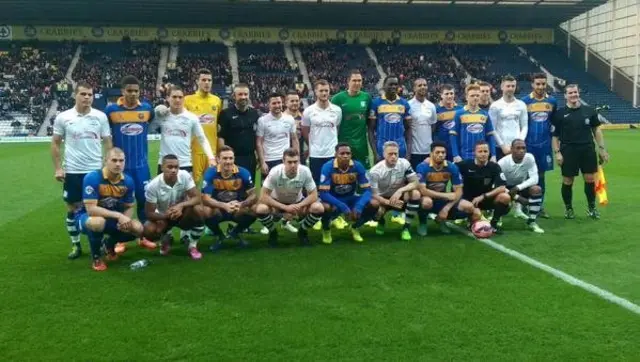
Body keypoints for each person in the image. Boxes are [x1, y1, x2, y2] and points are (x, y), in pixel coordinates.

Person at [51, 81, 112, 259]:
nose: (87, 97)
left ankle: (100, 243)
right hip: (73, 171)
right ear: (75, 95)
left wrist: (107, 166)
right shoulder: (64, 117)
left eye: (90, 94)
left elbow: (108, 142)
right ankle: (76, 245)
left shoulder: (100, 117)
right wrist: (58, 168)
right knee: (72, 209)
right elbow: (55, 143)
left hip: (94, 171)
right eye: (83, 94)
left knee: (98, 208)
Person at [104, 75, 157, 252]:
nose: (133, 94)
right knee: (120, 204)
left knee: (143, 201)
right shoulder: (111, 111)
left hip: (141, 166)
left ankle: (143, 236)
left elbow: (150, 121)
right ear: (122, 91)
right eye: (129, 91)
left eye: (136, 91)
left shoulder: (147, 109)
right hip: (121, 167)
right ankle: (121, 240)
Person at [77, 148, 144, 271]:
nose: (118, 164)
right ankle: (96, 257)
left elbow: (129, 207)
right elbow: (91, 210)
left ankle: (109, 245)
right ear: (105, 161)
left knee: (137, 228)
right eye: (114, 160)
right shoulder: (92, 177)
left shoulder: (128, 181)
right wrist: (119, 216)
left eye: (121, 160)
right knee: (98, 222)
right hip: (86, 218)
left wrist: (125, 220)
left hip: (112, 219)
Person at [552, 84, 609, 219]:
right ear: (565, 95)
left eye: (575, 92)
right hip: (568, 150)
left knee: (589, 179)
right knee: (568, 180)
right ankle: (569, 209)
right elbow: (555, 136)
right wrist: (557, 152)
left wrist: (602, 149)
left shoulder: (589, 111)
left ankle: (591, 208)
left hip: (587, 149)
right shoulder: (560, 114)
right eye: (570, 93)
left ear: (579, 93)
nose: (573, 95)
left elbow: (596, 130)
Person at [255, 148, 324, 247]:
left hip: (298, 203)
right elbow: (263, 196)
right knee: (261, 209)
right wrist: (285, 208)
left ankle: (303, 231)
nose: (293, 165)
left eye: (295, 162)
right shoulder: (275, 172)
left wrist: (298, 206)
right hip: (277, 203)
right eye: (290, 162)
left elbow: (314, 195)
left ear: (299, 161)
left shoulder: (305, 171)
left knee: (318, 208)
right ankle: (273, 232)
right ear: (283, 161)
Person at [143, 155, 206, 259]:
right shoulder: (153, 186)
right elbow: (149, 213)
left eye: (176, 167)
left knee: (199, 210)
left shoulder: (184, 175)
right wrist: (166, 216)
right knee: (148, 229)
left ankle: (192, 246)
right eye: (170, 167)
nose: (173, 170)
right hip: (164, 217)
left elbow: (197, 198)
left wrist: (180, 206)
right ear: (162, 167)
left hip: (182, 214)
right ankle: (166, 238)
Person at [416, 141, 480, 236]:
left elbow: (459, 191)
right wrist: (445, 195)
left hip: (443, 200)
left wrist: (446, 209)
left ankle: (442, 220)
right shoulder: (422, 167)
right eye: (437, 152)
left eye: (443, 152)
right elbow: (422, 190)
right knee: (426, 202)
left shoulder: (452, 167)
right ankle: (423, 223)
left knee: (470, 207)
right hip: (427, 197)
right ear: (431, 154)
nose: (441, 155)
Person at [201, 146, 258, 251]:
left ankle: (235, 233)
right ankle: (219, 235)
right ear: (218, 159)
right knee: (205, 210)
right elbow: (205, 198)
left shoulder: (243, 172)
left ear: (234, 159)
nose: (228, 161)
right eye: (225, 158)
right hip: (218, 209)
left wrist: (242, 204)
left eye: (231, 158)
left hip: (237, 208)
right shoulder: (210, 173)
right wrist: (224, 205)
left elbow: (254, 195)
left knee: (255, 209)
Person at [318, 143, 373, 244]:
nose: (345, 156)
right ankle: (326, 229)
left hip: (350, 198)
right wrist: (342, 206)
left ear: (351, 155)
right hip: (333, 200)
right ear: (335, 154)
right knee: (325, 207)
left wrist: (359, 206)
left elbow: (368, 191)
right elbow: (323, 193)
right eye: (342, 153)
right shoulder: (327, 167)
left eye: (348, 153)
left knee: (374, 204)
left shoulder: (358, 166)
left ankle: (355, 227)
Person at [155, 86, 215, 175]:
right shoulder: (162, 115)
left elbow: (202, 139)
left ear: (184, 99)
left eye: (180, 97)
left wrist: (211, 157)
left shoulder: (191, 118)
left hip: (184, 164)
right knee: (164, 189)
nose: (177, 100)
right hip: (164, 164)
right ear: (167, 98)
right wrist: (156, 110)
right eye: (174, 97)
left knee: (186, 189)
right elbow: (149, 127)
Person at [521, 73, 558, 218]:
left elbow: (554, 124)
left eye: (543, 84)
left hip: (544, 145)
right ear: (532, 84)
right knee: (525, 175)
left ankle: (539, 205)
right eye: (538, 84)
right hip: (528, 145)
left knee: (541, 176)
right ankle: (524, 204)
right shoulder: (524, 102)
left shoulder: (552, 101)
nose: (541, 87)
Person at [367, 141, 421, 241]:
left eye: (395, 154)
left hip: (399, 197)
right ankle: (381, 221)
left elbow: (415, 182)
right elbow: (374, 194)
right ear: (384, 154)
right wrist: (389, 202)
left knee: (415, 194)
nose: (393, 156)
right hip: (382, 199)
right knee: (373, 205)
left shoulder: (404, 163)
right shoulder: (375, 171)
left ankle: (406, 228)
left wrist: (400, 190)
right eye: (390, 154)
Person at [456, 141, 511, 233]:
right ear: (474, 153)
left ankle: (494, 223)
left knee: (505, 197)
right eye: (480, 151)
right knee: (477, 219)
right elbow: (449, 168)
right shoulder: (464, 165)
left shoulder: (494, 166)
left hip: (485, 199)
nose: (483, 154)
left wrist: (483, 196)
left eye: (485, 151)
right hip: (468, 201)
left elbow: (502, 187)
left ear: (489, 152)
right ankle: (471, 218)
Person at [184, 68, 222, 182]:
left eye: (209, 80)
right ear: (197, 81)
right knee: (192, 186)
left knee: (210, 185)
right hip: (193, 151)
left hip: (211, 151)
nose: (207, 83)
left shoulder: (217, 100)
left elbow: (217, 124)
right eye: (204, 80)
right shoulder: (187, 100)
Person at [498, 139, 544, 233]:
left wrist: (518, 187)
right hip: (504, 188)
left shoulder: (529, 158)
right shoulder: (502, 163)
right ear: (511, 149)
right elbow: (496, 185)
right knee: (503, 199)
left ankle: (531, 222)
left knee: (536, 189)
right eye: (518, 148)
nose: (521, 150)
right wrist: (517, 197)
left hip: (519, 186)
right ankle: (497, 217)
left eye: (523, 148)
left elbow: (535, 179)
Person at [301, 79, 342, 183]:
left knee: (333, 183)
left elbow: (336, 129)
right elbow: (305, 131)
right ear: (315, 91)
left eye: (326, 90)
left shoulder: (337, 110)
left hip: (332, 153)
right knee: (317, 184)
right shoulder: (308, 111)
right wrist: (312, 144)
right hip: (315, 154)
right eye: (321, 91)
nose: (324, 93)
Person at [331, 69, 372, 168]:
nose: (357, 83)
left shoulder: (366, 97)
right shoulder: (337, 99)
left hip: (361, 144)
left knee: (362, 172)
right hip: (343, 144)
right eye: (354, 80)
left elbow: (369, 121)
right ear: (348, 81)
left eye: (359, 80)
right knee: (343, 171)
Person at [218, 83, 260, 175]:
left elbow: (257, 137)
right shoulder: (225, 114)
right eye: (240, 94)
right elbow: (221, 137)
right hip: (232, 159)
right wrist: (223, 157)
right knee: (232, 186)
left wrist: (258, 156)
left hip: (250, 158)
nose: (243, 97)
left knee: (249, 187)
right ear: (234, 96)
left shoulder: (254, 113)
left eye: (246, 94)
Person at [368, 75, 412, 162]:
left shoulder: (404, 103)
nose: (393, 87)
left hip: (400, 148)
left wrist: (408, 154)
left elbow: (409, 129)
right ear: (384, 85)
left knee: (400, 175)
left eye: (396, 84)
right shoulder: (376, 103)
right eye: (390, 84)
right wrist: (375, 153)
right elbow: (370, 130)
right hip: (382, 147)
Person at [256, 93, 300, 179]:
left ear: (282, 103)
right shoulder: (262, 121)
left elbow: (294, 139)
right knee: (269, 190)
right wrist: (262, 162)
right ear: (269, 105)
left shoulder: (289, 119)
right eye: (274, 103)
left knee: (287, 188)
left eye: (279, 102)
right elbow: (259, 143)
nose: (277, 105)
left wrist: (297, 159)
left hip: (286, 159)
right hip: (269, 160)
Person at [449, 84, 497, 162]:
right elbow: (453, 135)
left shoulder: (485, 114)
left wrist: (493, 155)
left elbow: (490, 136)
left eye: (477, 95)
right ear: (466, 97)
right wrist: (455, 155)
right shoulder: (459, 114)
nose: (475, 98)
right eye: (472, 95)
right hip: (464, 156)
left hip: (482, 156)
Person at [489, 75, 528, 160]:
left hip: (517, 148)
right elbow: (492, 129)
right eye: (508, 86)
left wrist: (519, 144)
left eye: (513, 86)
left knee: (518, 173)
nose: (510, 88)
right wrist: (502, 146)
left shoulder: (521, 105)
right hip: (500, 148)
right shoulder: (495, 106)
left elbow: (524, 126)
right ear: (502, 87)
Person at [408, 78, 437, 170]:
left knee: (428, 178)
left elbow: (433, 125)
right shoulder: (408, 105)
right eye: (419, 85)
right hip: (413, 151)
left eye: (424, 85)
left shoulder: (431, 106)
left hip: (428, 150)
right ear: (414, 88)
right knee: (414, 179)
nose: (423, 87)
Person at [434, 84, 462, 161]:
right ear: (441, 95)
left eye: (451, 93)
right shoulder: (435, 109)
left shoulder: (460, 109)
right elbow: (432, 130)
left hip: (457, 147)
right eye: (446, 94)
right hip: (441, 149)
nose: (449, 96)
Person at [284, 91, 306, 165]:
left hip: (300, 154)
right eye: (292, 101)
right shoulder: (281, 118)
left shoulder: (304, 118)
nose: (295, 103)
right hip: (284, 155)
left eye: (297, 101)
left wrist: (309, 150)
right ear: (286, 103)